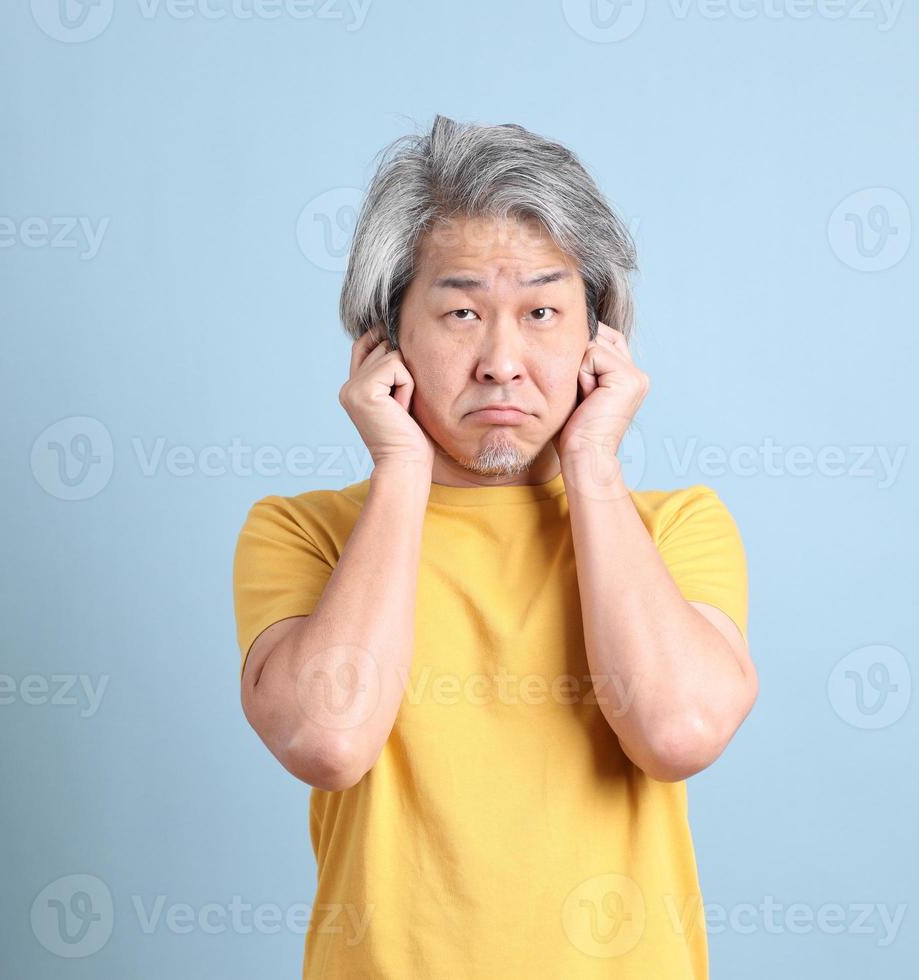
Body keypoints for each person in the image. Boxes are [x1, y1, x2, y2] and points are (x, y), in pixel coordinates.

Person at [232, 114, 756, 979]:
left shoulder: (674, 527)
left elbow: (678, 730)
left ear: (600, 339)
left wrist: (590, 458)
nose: (502, 360)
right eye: (463, 312)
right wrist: (403, 466)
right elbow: (328, 740)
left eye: (543, 311)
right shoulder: (301, 532)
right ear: (385, 338)